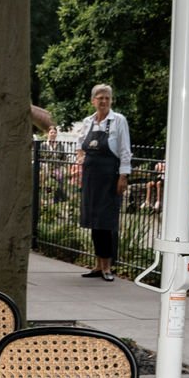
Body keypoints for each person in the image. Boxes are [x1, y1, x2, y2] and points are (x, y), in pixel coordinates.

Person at [69, 83, 131, 281]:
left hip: (109, 177)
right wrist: (80, 156)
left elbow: (125, 150)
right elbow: (80, 143)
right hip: (91, 178)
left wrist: (123, 176)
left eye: (107, 98)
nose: (104, 101)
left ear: (111, 100)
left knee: (107, 222)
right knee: (94, 222)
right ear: (93, 101)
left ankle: (107, 267)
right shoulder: (88, 121)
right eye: (100, 97)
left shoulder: (118, 120)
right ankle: (97, 265)